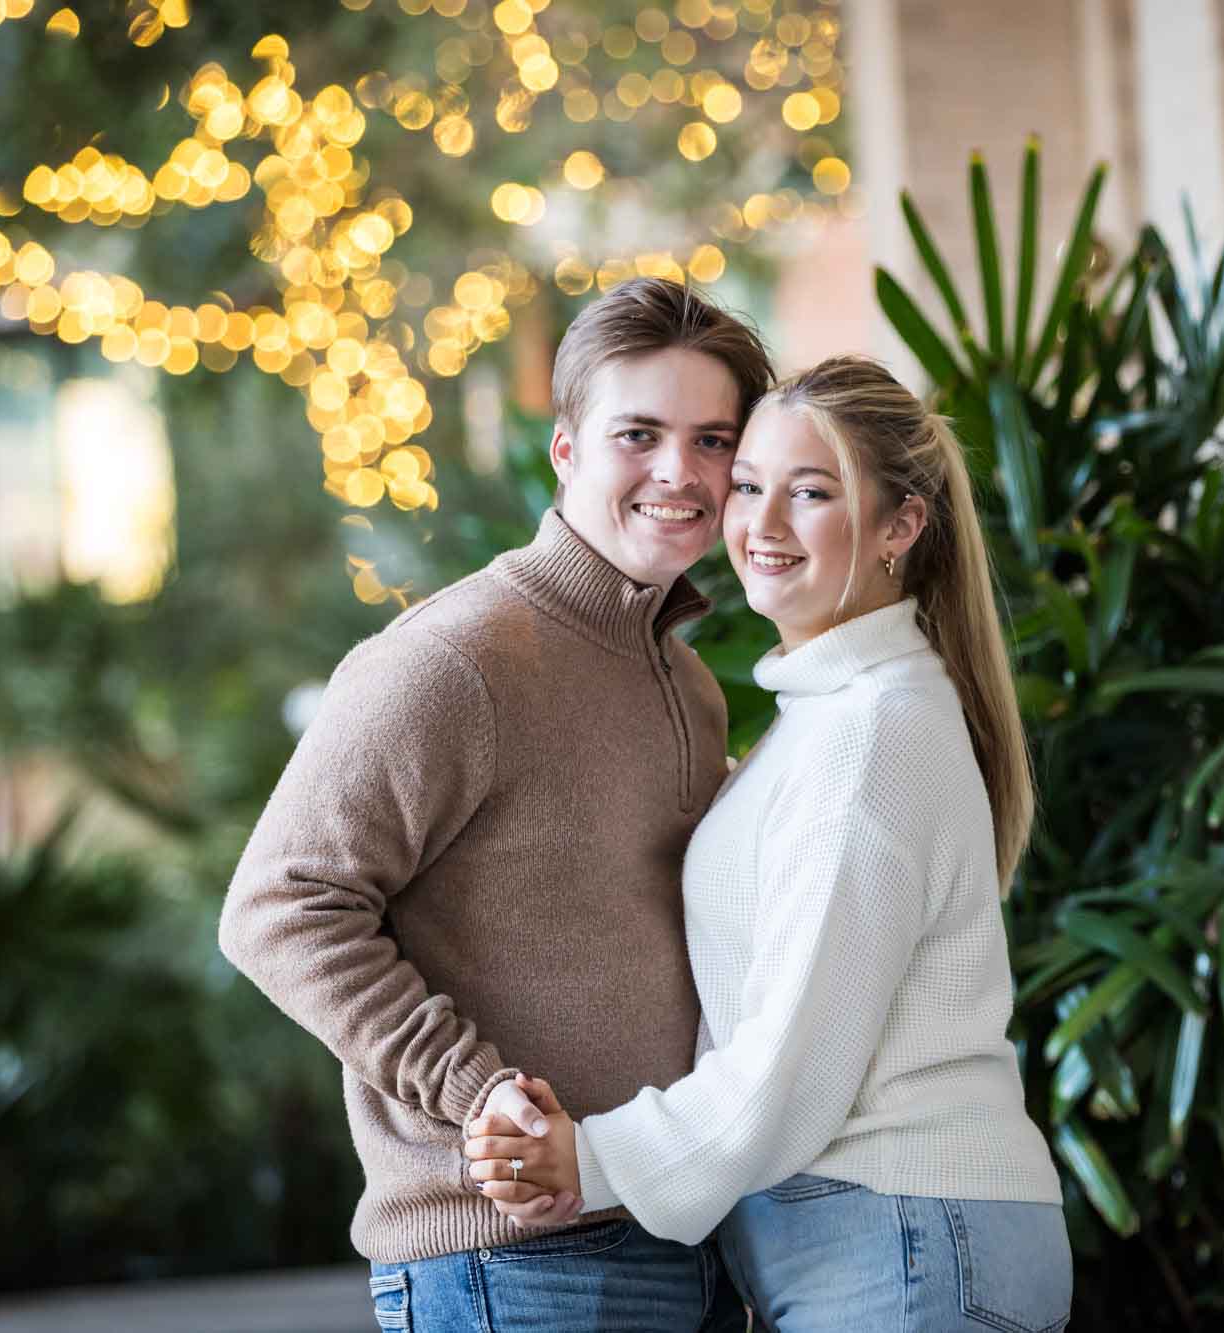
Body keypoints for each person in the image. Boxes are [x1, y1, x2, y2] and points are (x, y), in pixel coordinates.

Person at [467, 356, 1073, 1332]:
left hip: (897, 1240)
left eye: (812, 492)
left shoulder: (865, 736)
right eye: (747, 486)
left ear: (898, 525)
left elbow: (793, 1059)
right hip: (895, 1242)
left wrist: (591, 1157)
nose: (762, 525)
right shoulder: (836, 714)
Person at [217, 276, 773, 1333]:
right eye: (638, 433)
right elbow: (279, 907)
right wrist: (473, 1089)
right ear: (564, 448)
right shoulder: (453, 661)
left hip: (680, 1234)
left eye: (712, 441)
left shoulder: (689, 684)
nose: (679, 472)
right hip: (512, 1267)